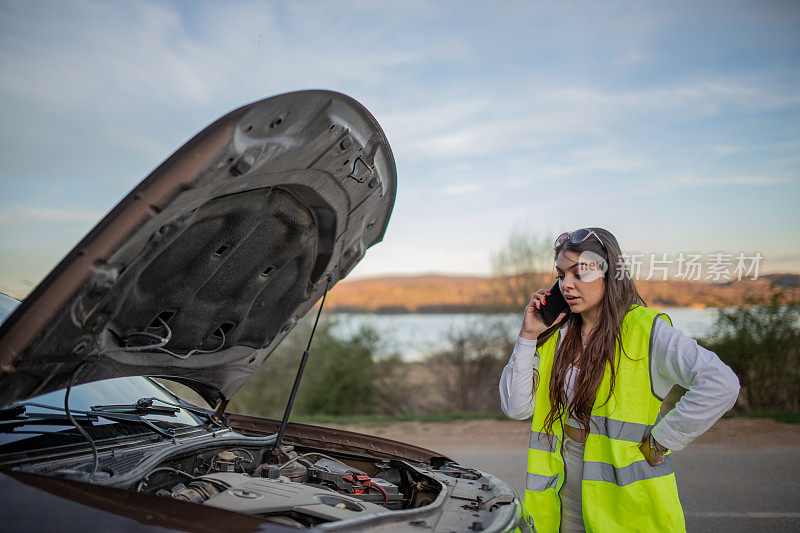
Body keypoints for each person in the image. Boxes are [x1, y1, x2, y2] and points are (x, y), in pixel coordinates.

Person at [499, 228, 740, 532]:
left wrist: (663, 440)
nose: (567, 285)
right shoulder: (556, 333)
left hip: (623, 497)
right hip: (563, 487)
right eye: (561, 275)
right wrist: (528, 334)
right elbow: (516, 407)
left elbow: (721, 383)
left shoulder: (645, 330)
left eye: (580, 273)